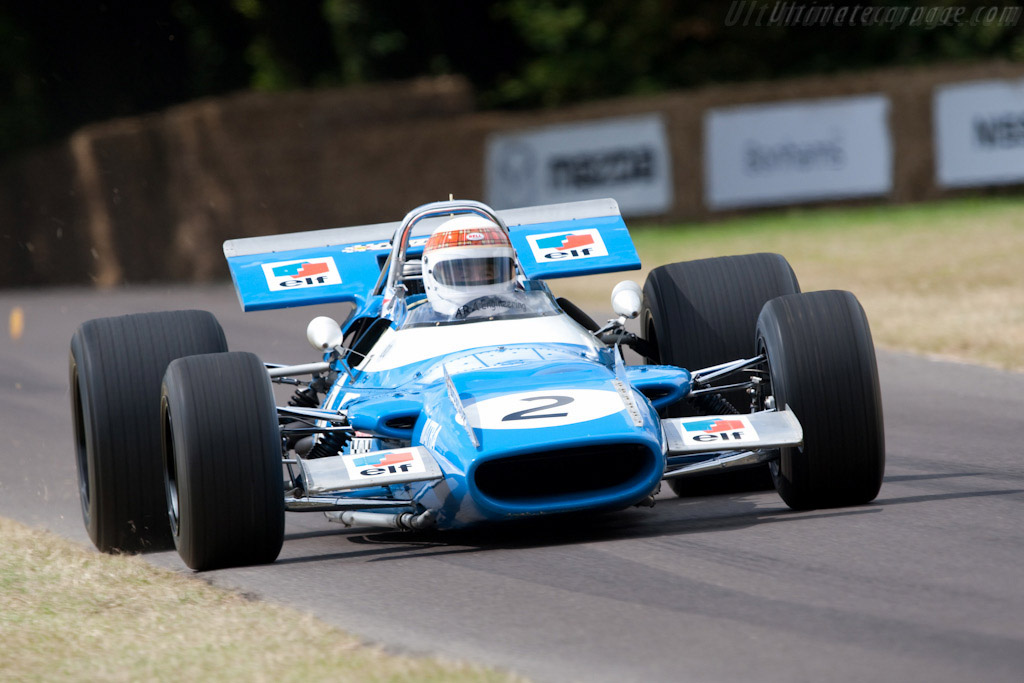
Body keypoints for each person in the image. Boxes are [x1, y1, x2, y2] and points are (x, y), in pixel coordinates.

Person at [420, 215, 518, 316]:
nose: (477, 279)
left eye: (487, 274)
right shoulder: (415, 323)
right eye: (464, 275)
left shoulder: (527, 314)